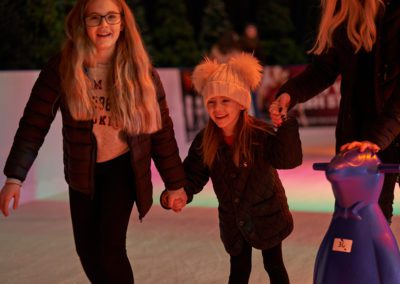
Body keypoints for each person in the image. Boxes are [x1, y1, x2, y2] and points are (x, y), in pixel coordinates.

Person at [0, 0, 186, 283]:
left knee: (110, 249)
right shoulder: (62, 67)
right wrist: (15, 177)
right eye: (95, 18)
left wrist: (174, 184)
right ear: (81, 22)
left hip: (123, 169)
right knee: (86, 250)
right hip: (82, 171)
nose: (104, 25)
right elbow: (34, 123)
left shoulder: (140, 71)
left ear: (123, 21)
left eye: (112, 17)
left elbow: (161, 130)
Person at [162, 53, 302, 284]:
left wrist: (284, 127)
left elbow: (288, 160)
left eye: (225, 100)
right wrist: (180, 193)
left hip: (266, 213)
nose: (218, 109)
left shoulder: (259, 135)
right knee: (238, 270)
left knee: (274, 265)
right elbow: (194, 175)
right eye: (211, 102)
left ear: (241, 103)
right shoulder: (205, 140)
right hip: (234, 218)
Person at [269, 0, 400, 223]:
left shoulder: (394, 9)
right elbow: (323, 69)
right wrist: (289, 94)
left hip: (391, 123)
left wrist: (375, 138)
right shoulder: (340, 10)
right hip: (358, 136)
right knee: (364, 221)